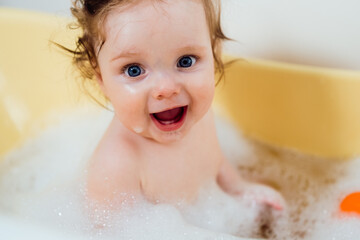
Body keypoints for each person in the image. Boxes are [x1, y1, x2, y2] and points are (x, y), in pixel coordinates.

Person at [67, 0, 284, 217]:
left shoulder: (198, 113)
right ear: (101, 78)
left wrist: (238, 188)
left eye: (186, 61)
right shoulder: (117, 165)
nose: (166, 89)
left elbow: (215, 161)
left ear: (214, 52)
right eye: (133, 70)